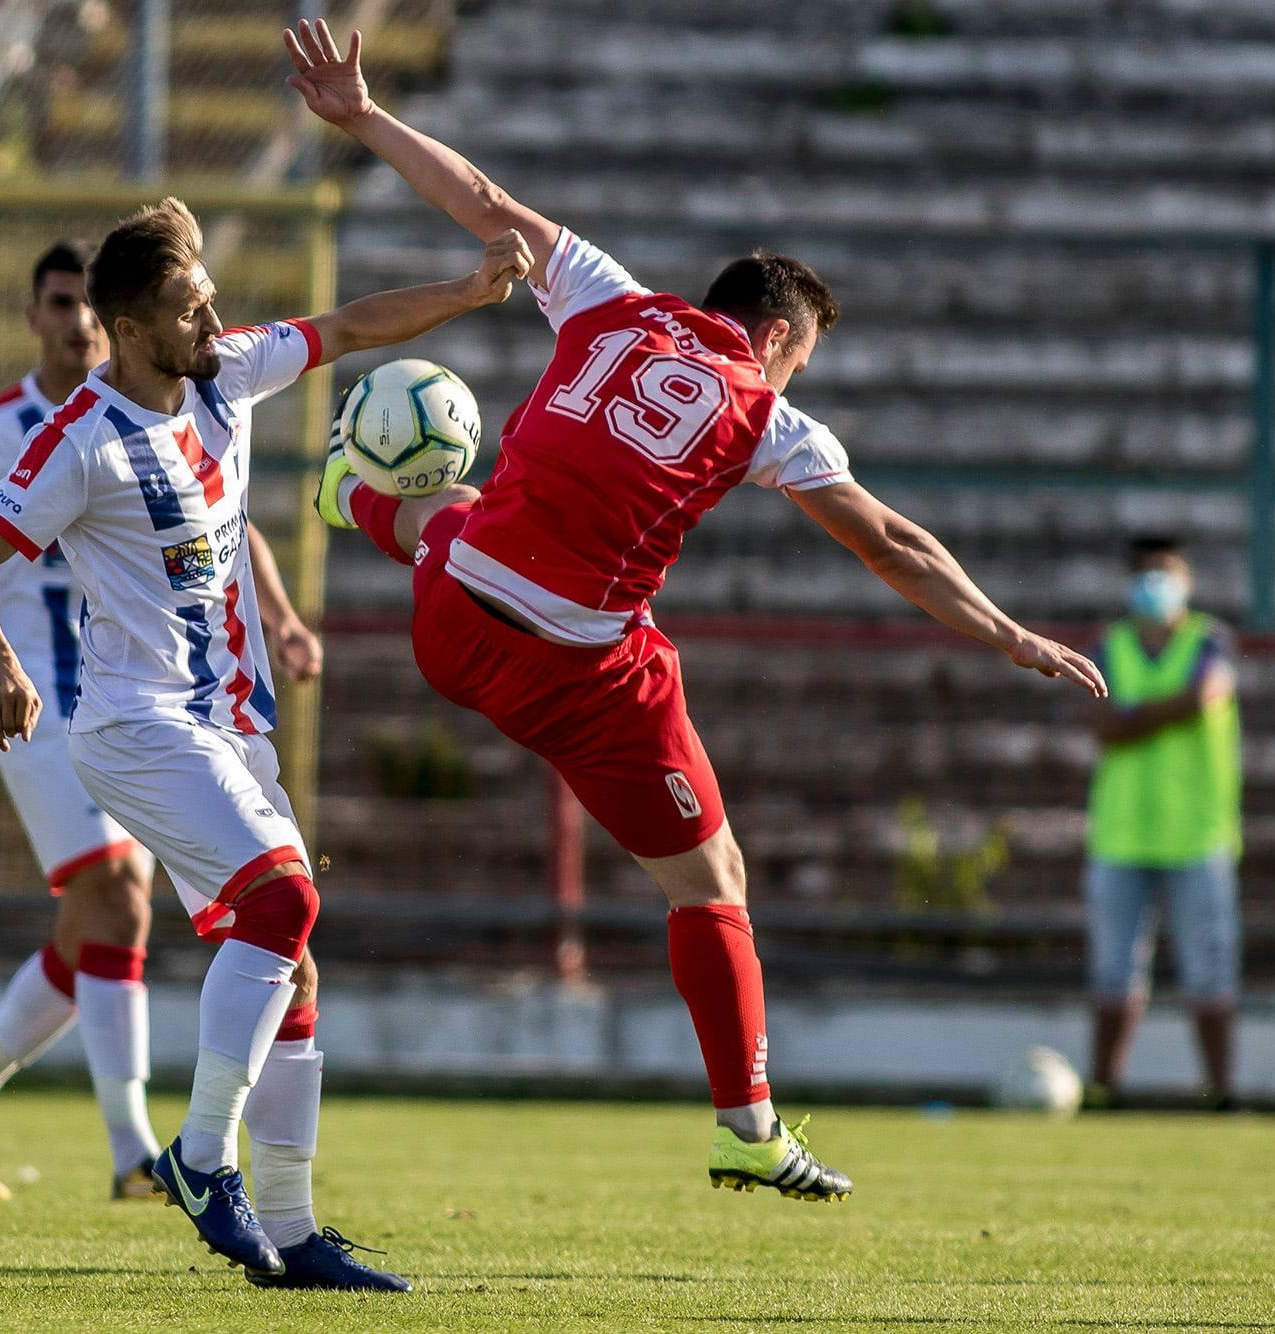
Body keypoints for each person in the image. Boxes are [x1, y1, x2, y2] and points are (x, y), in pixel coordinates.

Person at [284, 16, 1107, 1203]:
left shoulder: (606, 296)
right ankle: (748, 1126)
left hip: (450, 627)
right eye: (802, 359)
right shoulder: (769, 416)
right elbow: (893, 542)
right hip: (573, 664)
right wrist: (1009, 632)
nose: (795, 380)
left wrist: (360, 117)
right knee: (709, 878)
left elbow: (481, 199)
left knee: (469, 504)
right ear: (775, 336)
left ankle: (360, 500)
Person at [0, 196, 530, 1288]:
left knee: (292, 968)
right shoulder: (78, 443)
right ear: (122, 324)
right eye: (183, 306)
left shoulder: (229, 372)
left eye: (206, 294)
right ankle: (200, 1157)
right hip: (135, 723)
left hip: (229, 723)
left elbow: (347, 327)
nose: (209, 316)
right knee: (284, 905)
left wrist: (467, 289)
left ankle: (296, 1231)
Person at [0, 241, 322, 1202]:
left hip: (154, 703)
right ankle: (133, 1156)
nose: (75, 321)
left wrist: (276, 613)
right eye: (58, 304)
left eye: (85, 303)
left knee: (101, 915)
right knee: (118, 900)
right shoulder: (0, 435)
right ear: (36, 317)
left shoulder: (168, 407)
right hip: (40, 697)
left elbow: (217, 520)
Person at [1084, 535, 1241, 1109]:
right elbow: (1102, 725)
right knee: (1113, 973)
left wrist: (1133, 716)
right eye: (1146, 574)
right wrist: (1164, 709)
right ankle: (1105, 1088)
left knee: (1210, 971)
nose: (1156, 586)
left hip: (1197, 834)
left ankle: (1221, 1092)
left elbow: (1203, 699)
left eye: (1166, 574)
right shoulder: (1110, 644)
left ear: (1187, 582)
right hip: (1121, 833)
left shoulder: (1211, 639)